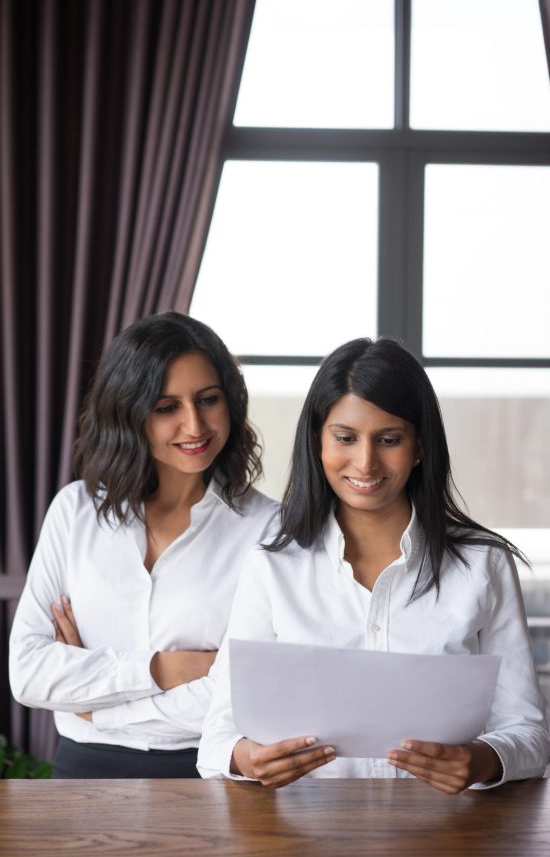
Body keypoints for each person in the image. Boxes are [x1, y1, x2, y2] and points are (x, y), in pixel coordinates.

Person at [197, 337, 550, 792]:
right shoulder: (272, 568)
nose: (365, 462)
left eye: (389, 439)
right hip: (302, 841)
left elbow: (530, 733)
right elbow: (217, 738)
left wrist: (481, 761)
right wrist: (248, 758)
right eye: (345, 438)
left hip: (449, 841)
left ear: (420, 445)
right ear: (318, 442)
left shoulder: (483, 565)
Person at [9, 312, 278, 778]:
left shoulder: (267, 527)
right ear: (130, 413)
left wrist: (96, 702)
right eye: (166, 406)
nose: (194, 425)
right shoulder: (74, 512)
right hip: (80, 774)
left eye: (208, 399)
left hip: (206, 773)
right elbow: (28, 672)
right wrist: (160, 670)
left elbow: (247, 694)